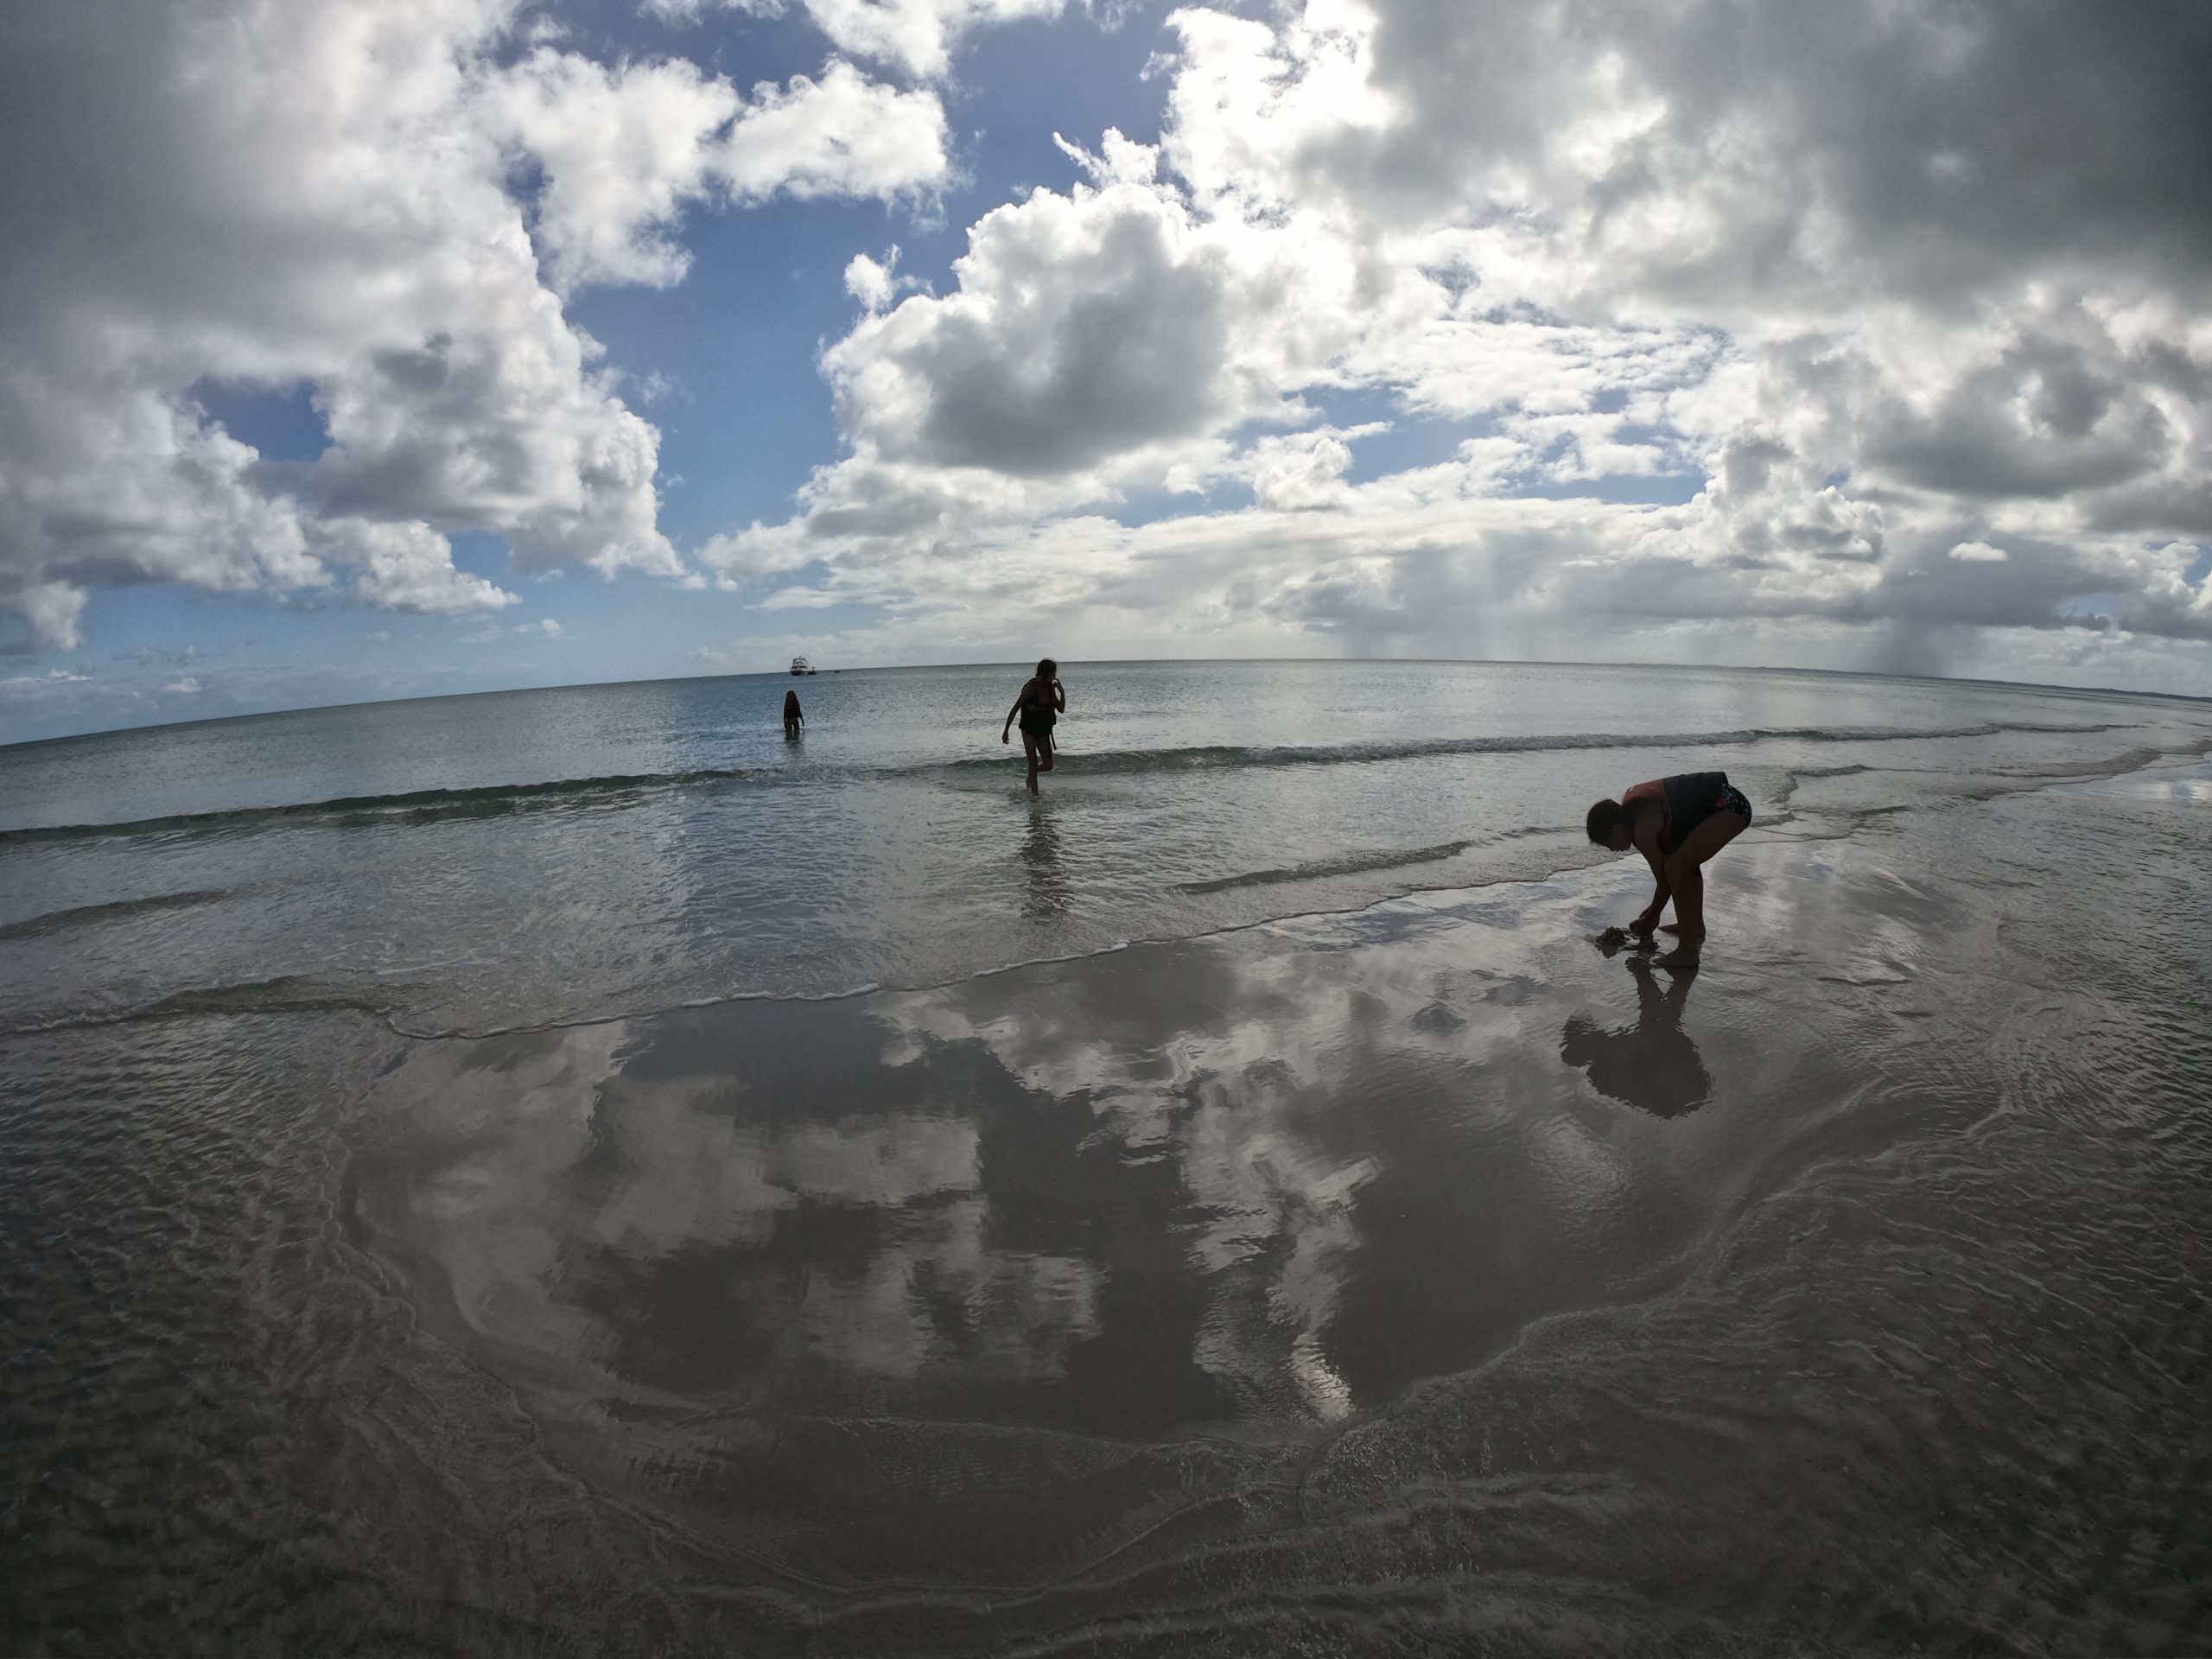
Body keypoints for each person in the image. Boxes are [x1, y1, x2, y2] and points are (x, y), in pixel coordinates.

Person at [1585, 771, 1752, 968]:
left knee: (1676, 868)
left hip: (1729, 807)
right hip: (1729, 802)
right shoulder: (1636, 819)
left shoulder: (1642, 831)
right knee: (1683, 863)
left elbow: (1665, 881)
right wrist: (1653, 911)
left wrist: (1651, 918)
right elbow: (1666, 879)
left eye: (1608, 844)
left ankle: (1688, 952)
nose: (1612, 850)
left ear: (1617, 830)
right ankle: (1695, 926)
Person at [1001, 658, 1065, 795]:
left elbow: (1061, 709)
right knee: (1033, 763)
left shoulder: (1049, 688)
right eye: (1053, 673)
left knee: (1048, 765)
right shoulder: (1030, 688)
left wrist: (1062, 692)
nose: (1054, 676)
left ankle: (1030, 776)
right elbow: (1015, 708)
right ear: (1046, 673)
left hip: (1044, 731)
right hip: (1029, 730)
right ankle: (1035, 798)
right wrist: (1006, 730)